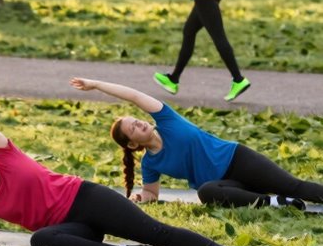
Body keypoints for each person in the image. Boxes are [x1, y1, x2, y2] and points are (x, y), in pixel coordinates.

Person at [0, 100, 254, 246]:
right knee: (42, 240)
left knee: (156, 233)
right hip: (72, 228)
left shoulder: (5, 155)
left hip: (88, 199)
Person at [71, 77, 323, 210]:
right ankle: (274, 203)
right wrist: (140, 198)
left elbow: (135, 96)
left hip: (238, 160)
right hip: (225, 184)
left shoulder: (166, 119)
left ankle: (285, 197)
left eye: (136, 120)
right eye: (133, 128)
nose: (140, 123)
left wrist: (96, 85)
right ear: (133, 144)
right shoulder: (151, 163)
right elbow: (151, 193)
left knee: (295, 187)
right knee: (206, 193)